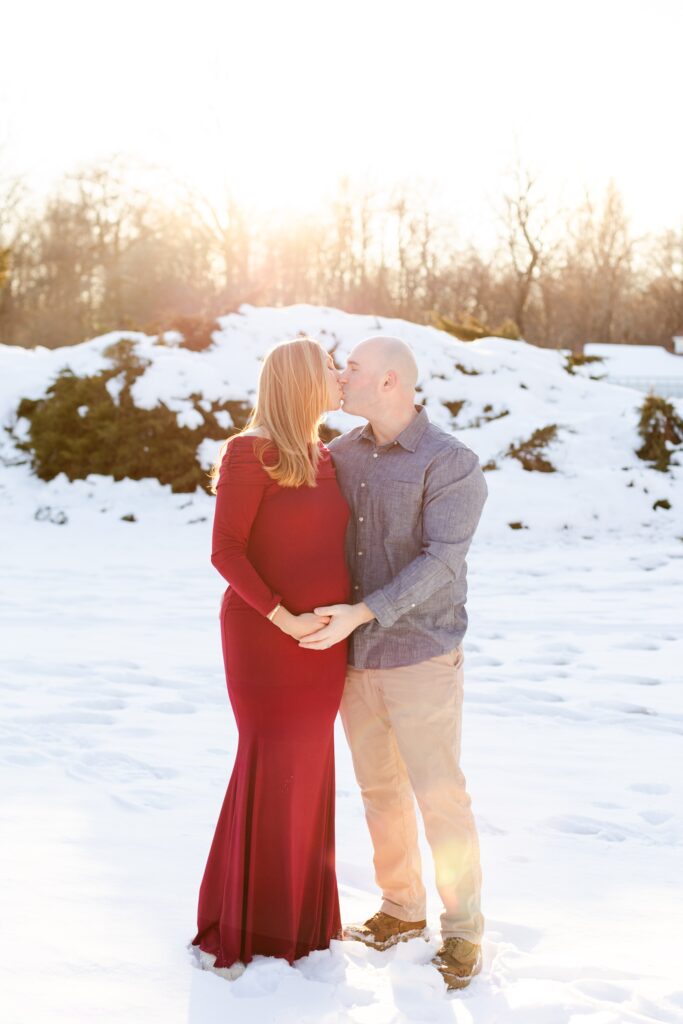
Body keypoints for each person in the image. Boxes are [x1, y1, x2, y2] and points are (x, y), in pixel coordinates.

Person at [299, 335, 488, 991]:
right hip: (351, 661)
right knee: (379, 793)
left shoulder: (450, 463)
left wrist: (364, 611)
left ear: (388, 382)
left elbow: (441, 563)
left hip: (422, 655)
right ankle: (400, 909)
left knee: (439, 796)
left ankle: (463, 931)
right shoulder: (337, 455)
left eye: (349, 369)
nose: (338, 378)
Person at [190, 338, 350, 977]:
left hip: (324, 647)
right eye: (330, 370)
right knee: (270, 763)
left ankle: (303, 923)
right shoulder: (249, 451)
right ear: (302, 383)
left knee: (309, 768)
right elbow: (225, 550)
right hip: (265, 638)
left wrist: (339, 622)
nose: (340, 378)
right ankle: (244, 925)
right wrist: (284, 616)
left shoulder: (329, 457)